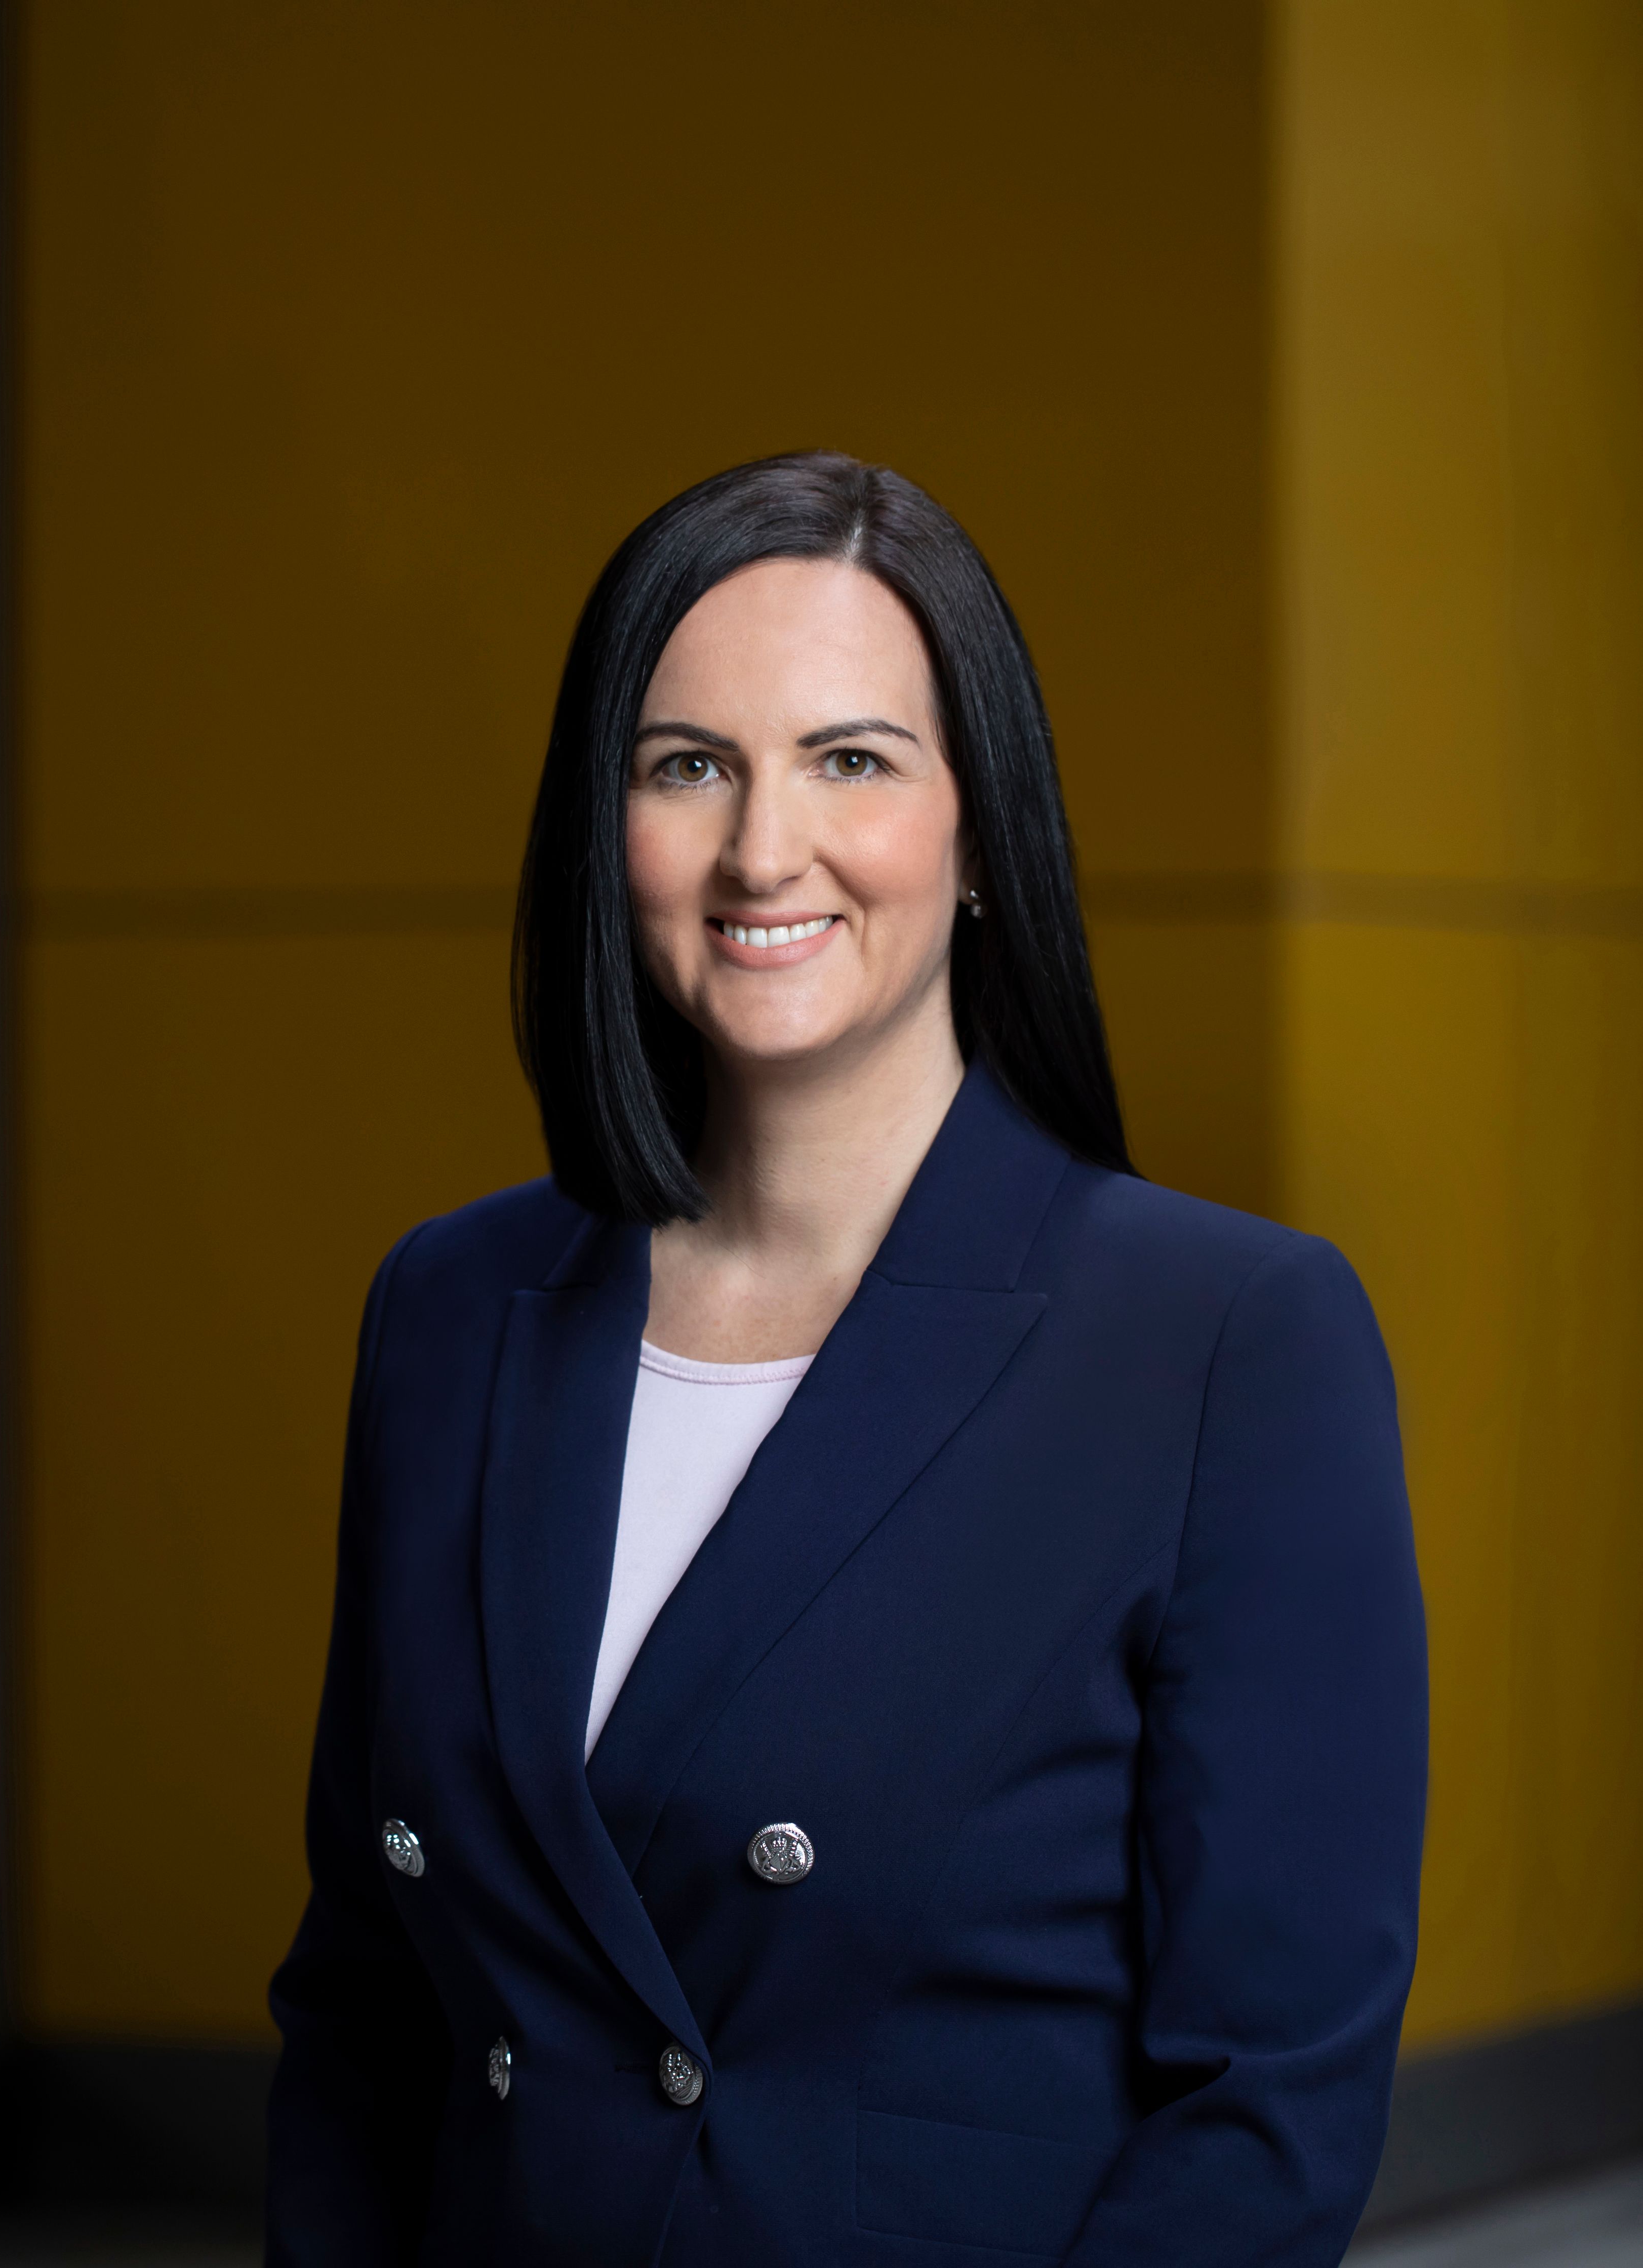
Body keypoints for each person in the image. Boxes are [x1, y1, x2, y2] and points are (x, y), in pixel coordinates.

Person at [267, 453, 1427, 2266]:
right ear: (605, 829)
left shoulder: (1224, 1342)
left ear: (981, 835)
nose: (760, 849)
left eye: (851, 760)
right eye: (687, 766)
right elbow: (363, 2013)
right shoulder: (450, 1307)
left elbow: (1266, 2109)